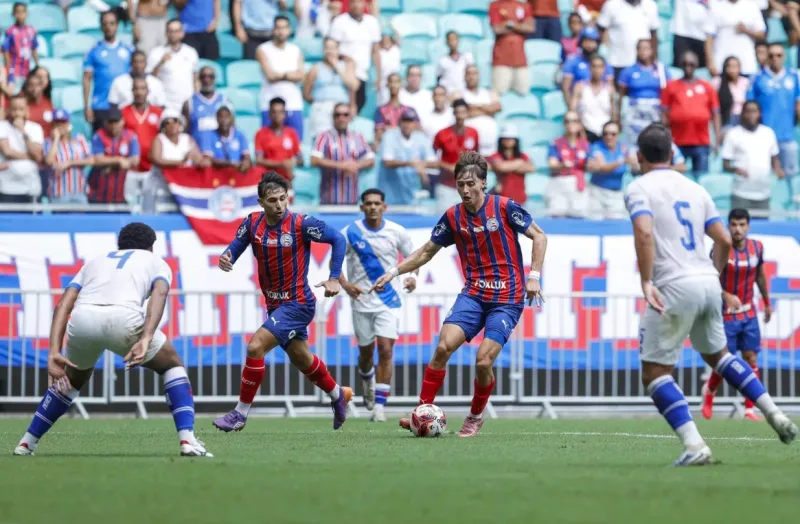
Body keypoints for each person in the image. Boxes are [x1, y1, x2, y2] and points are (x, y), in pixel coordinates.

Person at [624, 123, 796, 466]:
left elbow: (644, 233)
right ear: (673, 155)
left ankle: (694, 445)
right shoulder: (695, 188)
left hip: (673, 283)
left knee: (655, 372)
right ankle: (775, 413)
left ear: (639, 156)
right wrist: (712, 276)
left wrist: (646, 282)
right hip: (706, 281)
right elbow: (725, 239)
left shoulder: (638, 187)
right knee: (719, 355)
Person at [370, 151, 547, 437]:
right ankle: (422, 413)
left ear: (483, 183)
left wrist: (534, 276)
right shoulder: (453, 216)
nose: (465, 189)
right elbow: (427, 251)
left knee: (483, 360)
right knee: (442, 348)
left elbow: (539, 236)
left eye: (470, 183)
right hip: (474, 293)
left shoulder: (504, 207)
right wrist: (393, 272)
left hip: (507, 297)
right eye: (460, 184)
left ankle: (475, 416)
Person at [13, 223, 211, 457]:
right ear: (151, 247)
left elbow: (63, 303)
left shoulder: (95, 261)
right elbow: (160, 293)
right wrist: (146, 337)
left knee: (72, 380)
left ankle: (27, 442)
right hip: (123, 319)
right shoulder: (156, 261)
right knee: (172, 365)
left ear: (121, 244)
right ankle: (187, 439)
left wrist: (53, 351)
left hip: (83, 319)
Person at [212, 172, 352, 432]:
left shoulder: (301, 224)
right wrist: (226, 256)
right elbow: (236, 245)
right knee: (302, 359)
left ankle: (239, 414)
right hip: (275, 305)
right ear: (260, 202)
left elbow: (338, 239)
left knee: (255, 347)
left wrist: (334, 278)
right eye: (272, 200)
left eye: (283, 199)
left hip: (298, 303)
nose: (279, 205)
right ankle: (337, 394)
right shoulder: (253, 223)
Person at [338, 188, 416, 421]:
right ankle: (366, 378)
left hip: (388, 300)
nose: (373, 207)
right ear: (362, 207)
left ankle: (380, 408)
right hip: (361, 301)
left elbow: (414, 257)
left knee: (385, 349)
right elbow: (335, 261)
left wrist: (413, 277)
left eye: (377, 203)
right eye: (368, 203)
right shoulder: (350, 232)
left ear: (384, 207)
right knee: (365, 353)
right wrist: (345, 284)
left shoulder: (396, 231)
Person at [701, 209, 773, 422]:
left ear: (748, 226)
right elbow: (709, 279)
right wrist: (726, 295)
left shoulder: (757, 248)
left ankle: (750, 408)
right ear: (728, 226)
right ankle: (710, 393)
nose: (737, 229)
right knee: (725, 362)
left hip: (749, 312)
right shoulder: (720, 249)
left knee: (751, 358)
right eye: (733, 224)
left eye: (742, 225)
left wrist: (767, 303)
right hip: (725, 315)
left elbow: (759, 275)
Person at [747, 44, 800, 189]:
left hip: (787, 136)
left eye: (779, 55)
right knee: (766, 176)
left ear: (784, 57)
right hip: (764, 137)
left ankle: (792, 210)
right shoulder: (757, 78)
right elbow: (750, 106)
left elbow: (798, 104)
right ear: (767, 57)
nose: (775, 59)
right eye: (771, 55)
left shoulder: (794, 77)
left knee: (792, 178)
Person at [660, 51, 721, 179]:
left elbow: (715, 114)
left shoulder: (707, 87)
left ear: (697, 65)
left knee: (701, 179)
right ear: (680, 65)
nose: (688, 66)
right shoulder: (671, 87)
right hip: (677, 142)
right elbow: (664, 114)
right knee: (674, 178)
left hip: (701, 142)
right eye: (685, 63)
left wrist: (717, 140)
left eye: (691, 63)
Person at [720, 100, 782, 214]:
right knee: (739, 229)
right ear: (742, 113)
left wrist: (778, 170)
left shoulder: (768, 133)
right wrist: (736, 169)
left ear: (759, 113)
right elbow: (725, 164)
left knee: (763, 231)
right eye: (747, 111)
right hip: (741, 194)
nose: (751, 115)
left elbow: (774, 158)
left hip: (763, 194)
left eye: (754, 111)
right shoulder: (733, 134)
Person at [310, 103, 375, 205]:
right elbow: (314, 159)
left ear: (350, 117)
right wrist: (341, 166)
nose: (341, 118)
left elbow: (371, 160)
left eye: (345, 115)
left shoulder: (357, 137)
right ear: (333, 117)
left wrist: (355, 165)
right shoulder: (324, 136)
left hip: (352, 200)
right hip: (329, 200)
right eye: (337, 115)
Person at [83, 10, 135, 132]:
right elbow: (86, 79)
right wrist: (87, 106)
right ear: (101, 26)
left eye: (112, 23)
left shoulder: (128, 50)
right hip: (102, 105)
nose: (108, 27)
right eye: (105, 23)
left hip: (124, 104)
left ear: (117, 25)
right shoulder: (93, 51)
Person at [148, 110, 209, 212]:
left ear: (180, 124)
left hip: (181, 189)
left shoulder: (187, 139)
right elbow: (156, 159)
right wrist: (181, 162)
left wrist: (201, 161)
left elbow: (199, 159)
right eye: (168, 122)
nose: (172, 124)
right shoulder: (159, 139)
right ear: (163, 126)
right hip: (161, 187)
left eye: (175, 121)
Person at [256, 15, 305, 139]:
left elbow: (300, 75)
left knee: (296, 143)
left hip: (293, 104)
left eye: (284, 28)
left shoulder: (296, 50)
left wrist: (281, 74)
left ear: (289, 30)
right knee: (269, 143)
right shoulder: (263, 49)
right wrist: (289, 75)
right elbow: (270, 76)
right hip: (270, 105)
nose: (281, 31)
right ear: (273, 29)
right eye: (278, 28)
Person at [327, 0, 381, 112]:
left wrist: (379, 76)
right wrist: (344, 59)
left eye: (359, 2)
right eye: (354, 2)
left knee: (358, 107)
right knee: (341, 110)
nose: (357, 5)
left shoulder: (372, 22)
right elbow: (331, 47)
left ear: (365, 4)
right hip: (343, 74)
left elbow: (375, 51)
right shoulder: (339, 21)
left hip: (363, 73)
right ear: (349, 4)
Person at [378, 108, 437, 205]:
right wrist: (411, 163)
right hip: (391, 194)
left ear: (415, 123)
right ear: (399, 122)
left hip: (412, 194)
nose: (407, 125)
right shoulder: (390, 136)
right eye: (405, 121)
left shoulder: (421, 137)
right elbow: (387, 162)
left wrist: (421, 166)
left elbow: (434, 163)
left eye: (410, 121)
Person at [303, 38, 358, 140]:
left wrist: (336, 66)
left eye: (333, 48)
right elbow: (306, 93)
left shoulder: (346, 66)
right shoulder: (316, 68)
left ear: (338, 50)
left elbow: (353, 86)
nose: (330, 51)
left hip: (341, 109)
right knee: (320, 139)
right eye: (327, 48)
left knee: (342, 140)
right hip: (321, 108)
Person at [122, 77, 163, 212]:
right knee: (131, 207)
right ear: (132, 91)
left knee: (150, 207)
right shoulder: (123, 112)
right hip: (131, 169)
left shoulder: (158, 113)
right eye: (136, 89)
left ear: (148, 91)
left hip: (152, 169)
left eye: (142, 88)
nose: (139, 92)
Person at [617, 39, 669, 147]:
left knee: (654, 142)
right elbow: (621, 96)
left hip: (655, 111)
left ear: (652, 50)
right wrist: (618, 118)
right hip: (635, 112)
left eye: (646, 48)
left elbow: (667, 93)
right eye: (640, 48)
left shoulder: (661, 70)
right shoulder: (628, 71)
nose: (643, 51)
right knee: (635, 143)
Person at [432, 99, 479, 206]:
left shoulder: (473, 133)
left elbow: (476, 156)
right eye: (457, 112)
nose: (460, 116)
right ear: (453, 113)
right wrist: (447, 166)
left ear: (467, 113)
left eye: (463, 112)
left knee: (468, 220)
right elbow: (432, 159)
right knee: (445, 219)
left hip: (468, 186)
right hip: (446, 185)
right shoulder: (442, 134)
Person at [89, 106, 141, 204]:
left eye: (116, 122)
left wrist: (112, 166)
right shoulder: (99, 136)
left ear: (122, 121)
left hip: (123, 193)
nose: (113, 125)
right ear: (105, 123)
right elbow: (97, 160)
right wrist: (119, 161)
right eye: (110, 122)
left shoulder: (130, 136)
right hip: (99, 192)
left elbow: (135, 160)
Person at [147, 19, 200, 113]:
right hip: (166, 105)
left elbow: (195, 79)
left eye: (176, 31)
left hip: (187, 105)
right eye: (170, 31)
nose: (173, 34)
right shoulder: (156, 53)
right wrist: (161, 63)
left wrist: (196, 100)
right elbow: (150, 80)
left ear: (182, 33)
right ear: (166, 33)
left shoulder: (191, 52)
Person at [596, 0, 659, 79]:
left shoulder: (650, 5)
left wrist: (654, 58)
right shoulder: (611, 5)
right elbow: (601, 29)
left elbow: (654, 34)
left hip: (642, 64)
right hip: (618, 62)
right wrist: (605, 48)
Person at [43, 109, 94, 204]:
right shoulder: (48, 143)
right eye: (57, 123)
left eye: (63, 123)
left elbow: (90, 160)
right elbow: (49, 161)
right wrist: (56, 139)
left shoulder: (79, 139)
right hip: (59, 193)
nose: (60, 126)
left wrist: (69, 163)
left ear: (68, 124)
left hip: (79, 191)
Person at [0, 95, 44, 204]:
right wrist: (31, 157)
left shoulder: (35, 128)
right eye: (14, 109)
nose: (17, 113)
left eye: (21, 109)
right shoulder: (2, 126)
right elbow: (8, 152)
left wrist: (23, 131)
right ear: (8, 110)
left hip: (31, 187)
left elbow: (36, 152)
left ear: (27, 110)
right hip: (7, 187)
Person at [704, 0, 765, 77]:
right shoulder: (716, 7)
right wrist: (710, 62)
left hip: (747, 64)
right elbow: (709, 37)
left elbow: (762, 34)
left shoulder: (751, 6)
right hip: (721, 64)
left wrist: (746, 30)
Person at [586, 121, 634, 219]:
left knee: (615, 224)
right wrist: (622, 161)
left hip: (616, 193)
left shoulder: (624, 148)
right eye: (605, 133)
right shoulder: (597, 146)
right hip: (597, 192)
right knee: (595, 223)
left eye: (613, 134)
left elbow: (635, 165)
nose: (609, 137)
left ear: (619, 134)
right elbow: (604, 168)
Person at [546, 111, 589, 217]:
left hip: (579, 183)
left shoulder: (585, 144)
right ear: (564, 124)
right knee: (557, 215)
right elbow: (552, 164)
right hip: (560, 182)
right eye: (568, 121)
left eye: (574, 121)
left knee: (579, 216)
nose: (571, 124)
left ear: (579, 124)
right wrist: (562, 165)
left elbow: (591, 164)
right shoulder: (556, 143)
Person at [489, 0, 534, 95]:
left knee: (523, 93)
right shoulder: (495, 5)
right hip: (501, 60)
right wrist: (520, 27)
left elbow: (530, 28)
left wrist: (510, 24)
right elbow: (497, 29)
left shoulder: (524, 6)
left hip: (520, 60)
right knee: (498, 93)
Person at [255, 97, 303, 186]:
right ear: (269, 114)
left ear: (285, 114)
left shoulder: (292, 133)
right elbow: (259, 160)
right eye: (274, 112)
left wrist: (292, 162)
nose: (277, 115)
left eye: (281, 112)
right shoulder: (261, 134)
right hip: (268, 182)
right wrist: (281, 164)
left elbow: (300, 159)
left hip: (288, 181)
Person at [570, 55, 615, 143]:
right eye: (594, 66)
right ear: (589, 68)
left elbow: (613, 113)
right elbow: (573, 109)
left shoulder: (610, 89)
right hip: (585, 130)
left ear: (604, 69)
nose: (597, 70)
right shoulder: (580, 87)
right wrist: (580, 129)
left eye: (600, 67)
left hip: (605, 132)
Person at [182, 66, 227, 154]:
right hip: (198, 155)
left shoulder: (224, 102)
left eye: (210, 76)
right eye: (203, 76)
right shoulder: (189, 103)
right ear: (199, 79)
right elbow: (185, 133)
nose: (207, 80)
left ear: (214, 78)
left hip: (220, 155)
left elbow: (231, 129)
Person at [487, 124, 534, 205]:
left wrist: (508, 166)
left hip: (520, 200)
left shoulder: (523, 156)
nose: (508, 140)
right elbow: (501, 167)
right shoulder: (496, 155)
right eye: (505, 138)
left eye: (511, 138)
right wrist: (519, 163)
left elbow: (531, 168)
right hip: (501, 200)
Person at [204, 105, 252, 172]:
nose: (224, 120)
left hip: (237, 176)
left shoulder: (240, 134)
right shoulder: (210, 135)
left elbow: (247, 157)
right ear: (217, 119)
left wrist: (245, 163)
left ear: (231, 118)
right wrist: (231, 163)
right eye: (221, 117)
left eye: (226, 117)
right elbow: (209, 160)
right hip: (217, 177)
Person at [3, 2, 39, 90]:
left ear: (27, 14)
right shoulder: (10, 31)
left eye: (23, 12)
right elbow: (5, 51)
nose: (20, 15)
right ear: (13, 14)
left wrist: (37, 64)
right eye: (17, 12)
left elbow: (34, 49)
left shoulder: (31, 30)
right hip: (14, 70)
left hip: (27, 69)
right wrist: (8, 68)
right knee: (14, 93)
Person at [711, 56, 748, 132]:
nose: (732, 69)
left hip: (743, 118)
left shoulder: (745, 82)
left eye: (735, 66)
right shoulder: (717, 82)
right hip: (726, 118)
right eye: (729, 66)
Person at [373, 73, 409, 150]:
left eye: (396, 82)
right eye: (391, 82)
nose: (393, 85)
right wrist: (402, 128)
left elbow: (416, 130)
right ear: (387, 85)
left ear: (401, 85)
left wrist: (388, 128)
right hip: (387, 147)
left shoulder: (408, 110)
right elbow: (379, 133)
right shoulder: (380, 110)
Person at [437, 31, 474, 95]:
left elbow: (472, 73)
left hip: (464, 93)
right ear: (446, 42)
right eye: (450, 40)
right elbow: (439, 77)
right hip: (448, 94)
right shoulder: (443, 60)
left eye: (454, 39)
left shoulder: (467, 57)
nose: (452, 42)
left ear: (458, 40)